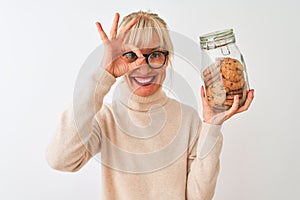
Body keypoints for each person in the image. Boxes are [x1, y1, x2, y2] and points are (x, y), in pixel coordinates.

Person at [46, 11, 254, 200]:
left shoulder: (188, 119)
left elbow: (198, 197)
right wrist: (103, 76)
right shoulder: (105, 118)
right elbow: (60, 159)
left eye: (154, 54)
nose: (143, 67)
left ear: (167, 58)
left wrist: (212, 127)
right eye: (131, 55)